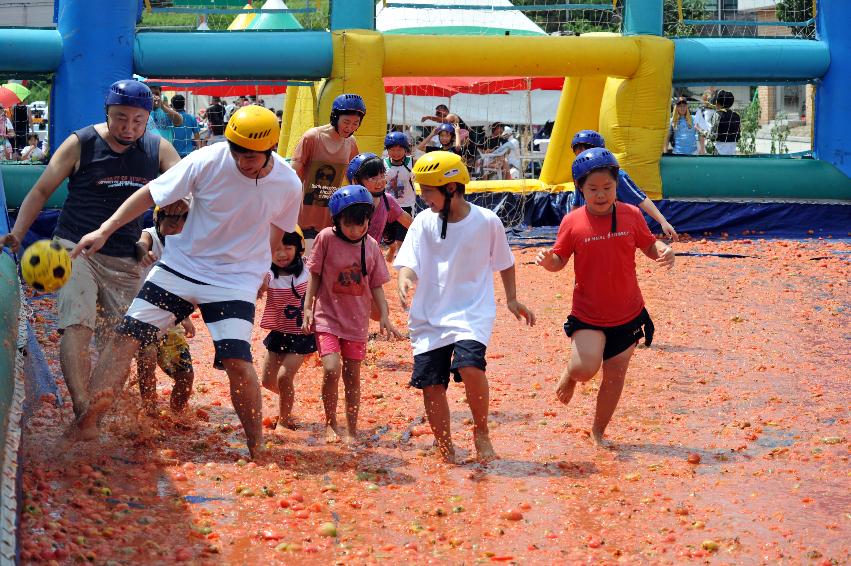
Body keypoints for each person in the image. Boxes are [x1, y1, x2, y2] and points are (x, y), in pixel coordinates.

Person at [65, 106, 302, 460]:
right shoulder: (206, 160)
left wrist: (261, 272)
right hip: (181, 266)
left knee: (238, 361)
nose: (242, 161)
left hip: (233, 279)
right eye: (236, 151)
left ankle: (257, 446)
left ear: (269, 150)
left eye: (251, 156)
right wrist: (105, 229)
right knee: (127, 336)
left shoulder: (288, 183)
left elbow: (279, 230)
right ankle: (88, 423)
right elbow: (150, 194)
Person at [0, 79, 181, 419]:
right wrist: (17, 232)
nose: (128, 127)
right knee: (77, 325)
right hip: (73, 249)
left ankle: (93, 413)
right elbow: (40, 191)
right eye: (120, 118)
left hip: (125, 257)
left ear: (148, 119)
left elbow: (188, 185)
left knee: (121, 341)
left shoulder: (158, 149)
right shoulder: (81, 143)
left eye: (137, 121)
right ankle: (82, 404)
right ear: (107, 113)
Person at [394, 151, 536, 463]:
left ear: (451, 188)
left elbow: (505, 263)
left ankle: (481, 430)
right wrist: (405, 278)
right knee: (431, 386)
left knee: (470, 366)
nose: (424, 198)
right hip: (429, 317)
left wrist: (511, 299)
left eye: (429, 191)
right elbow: (408, 262)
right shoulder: (422, 222)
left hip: (472, 312)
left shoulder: (487, 221)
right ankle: (445, 446)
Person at [536, 148, 674, 445]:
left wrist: (663, 251)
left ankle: (598, 432)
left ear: (617, 186)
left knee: (615, 377)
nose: (601, 195)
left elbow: (649, 246)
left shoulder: (631, 215)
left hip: (628, 313)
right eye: (593, 189)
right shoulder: (572, 222)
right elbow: (559, 260)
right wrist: (549, 262)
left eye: (608, 188)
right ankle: (571, 374)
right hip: (588, 313)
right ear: (581, 189)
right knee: (586, 369)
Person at [302, 186, 401, 444]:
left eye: (362, 224)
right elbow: (314, 275)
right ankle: (330, 423)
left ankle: (352, 429)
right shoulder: (325, 238)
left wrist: (385, 316)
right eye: (349, 225)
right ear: (337, 221)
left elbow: (377, 285)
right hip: (327, 317)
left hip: (357, 323)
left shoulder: (371, 247)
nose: (356, 230)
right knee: (332, 368)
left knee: (352, 376)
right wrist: (307, 307)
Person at [134, 201, 196, 415]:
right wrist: (143, 252)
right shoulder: (150, 235)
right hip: (142, 316)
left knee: (186, 376)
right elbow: (142, 242)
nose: (175, 231)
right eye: (170, 225)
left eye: (182, 227)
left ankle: (177, 414)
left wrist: (184, 316)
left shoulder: (186, 246)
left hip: (170, 318)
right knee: (147, 362)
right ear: (157, 220)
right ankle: (149, 412)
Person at [567, 130, 678, 240]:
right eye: (578, 152)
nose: (582, 156)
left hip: (616, 228)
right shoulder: (581, 176)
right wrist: (569, 228)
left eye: (585, 151)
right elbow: (576, 205)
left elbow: (641, 199)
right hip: (593, 225)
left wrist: (663, 222)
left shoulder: (616, 175)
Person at [258, 226, 315, 430]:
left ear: (299, 248)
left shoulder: (309, 269)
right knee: (267, 382)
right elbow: (260, 285)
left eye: (288, 247)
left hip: (303, 333)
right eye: (276, 249)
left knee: (284, 377)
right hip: (279, 332)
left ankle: (285, 420)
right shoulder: (268, 274)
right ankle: (289, 402)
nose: (281, 254)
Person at [293, 93, 364, 255]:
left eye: (355, 123)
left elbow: (354, 177)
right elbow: (294, 174)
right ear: (335, 117)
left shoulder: (351, 143)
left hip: (330, 216)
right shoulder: (313, 137)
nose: (350, 127)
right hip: (304, 214)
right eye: (346, 122)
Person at [345, 152, 413, 246]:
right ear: (356, 181)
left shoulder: (387, 200)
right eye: (373, 178)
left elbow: (411, 224)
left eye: (382, 175)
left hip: (371, 257)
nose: (380, 182)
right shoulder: (346, 203)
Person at [382, 132, 417, 262]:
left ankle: (400, 269)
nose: (396, 153)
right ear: (388, 150)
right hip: (388, 206)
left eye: (399, 149)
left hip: (406, 205)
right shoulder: (383, 163)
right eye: (392, 149)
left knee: (403, 238)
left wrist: (417, 173)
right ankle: (390, 261)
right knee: (389, 240)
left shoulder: (411, 162)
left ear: (405, 149)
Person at [710, 90, 740, 156]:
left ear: (718, 103)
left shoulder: (717, 115)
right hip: (732, 150)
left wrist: (701, 131)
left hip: (719, 150)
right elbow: (738, 136)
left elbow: (712, 136)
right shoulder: (736, 115)